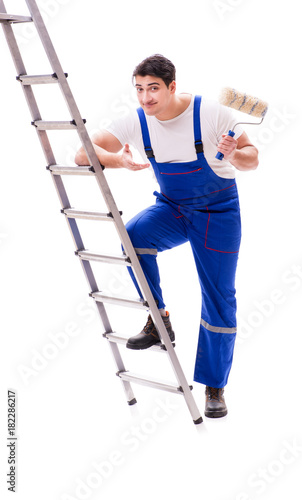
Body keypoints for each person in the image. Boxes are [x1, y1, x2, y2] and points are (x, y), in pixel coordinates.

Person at [75, 54, 259, 418]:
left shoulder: (213, 113)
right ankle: (159, 320)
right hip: (173, 208)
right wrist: (120, 161)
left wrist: (234, 154)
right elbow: (83, 152)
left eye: (153, 89)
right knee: (134, 237)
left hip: (218, 214)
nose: (145, 98)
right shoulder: (137, 120)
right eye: (139, 89)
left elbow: (253, 157)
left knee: (219, 296)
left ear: (172, 86)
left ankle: (214, 387)